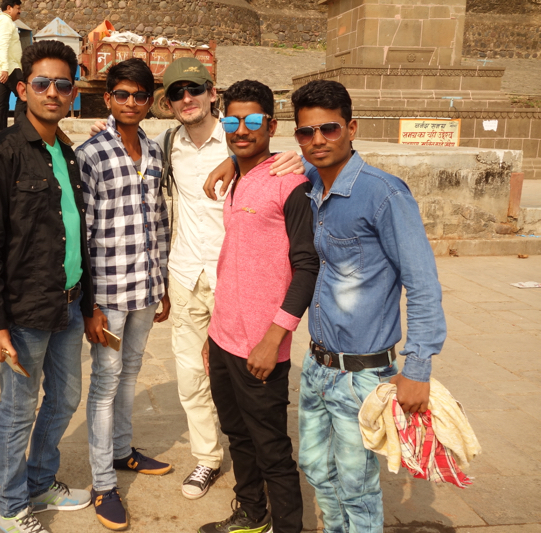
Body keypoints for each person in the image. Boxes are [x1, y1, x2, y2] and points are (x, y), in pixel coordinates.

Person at [206, 79, 447, 533]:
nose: (317, 140)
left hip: (362, 372)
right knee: (318, 471)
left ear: (351, 128)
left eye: (329, 129)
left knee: (356, 486)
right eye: (306, 132)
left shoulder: (384, 194)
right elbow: (267, 164)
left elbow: (422, 283)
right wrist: (232, 161)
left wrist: (418, 367)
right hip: (319, 365)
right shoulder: (313, 183)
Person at [88, 57, 304, 501]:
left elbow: (291, 167)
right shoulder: (166, 145)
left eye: (194, 89)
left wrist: (298, 159)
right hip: (186, 273)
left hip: (235, 281)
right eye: (176, 93)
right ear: (167, 104)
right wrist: (102, 132)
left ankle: (261, 468)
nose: (186, 99)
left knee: (242, 383)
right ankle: (207, 457)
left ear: (212, 93)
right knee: (190, 378)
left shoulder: (239, 138)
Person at [0, 41, 95, 533]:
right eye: (42, 83)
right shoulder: (2, 152)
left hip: (68, 302)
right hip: (24, 311)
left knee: (65, 398)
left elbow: (74, 231)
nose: (52, 93)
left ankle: (40, 482)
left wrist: (88, 302)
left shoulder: (66, 151)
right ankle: (10, 508)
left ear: (73, 93)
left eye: (63, 85)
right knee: (18, 410)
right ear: (22, 90)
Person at [197, 80, 315, 533]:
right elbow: (238, 263)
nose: (241, 130)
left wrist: (274, 338)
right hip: (224, 338)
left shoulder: (291, 184)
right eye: (231, 121)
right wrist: (214, 334)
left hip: (262, 345)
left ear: (271, 125)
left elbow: (306, 267)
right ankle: (251, 513)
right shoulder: (239, 178)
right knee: (238, 436)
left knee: (272, 449)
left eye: (251, 121)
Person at [76, 58, 173, 531]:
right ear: (108, 98)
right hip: (109, 295)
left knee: (130, 372)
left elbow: (160, 220)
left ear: (150, 101)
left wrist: (163, 282)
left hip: (146, 288)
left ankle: (121, 450)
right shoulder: (91, 154)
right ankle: (102, 483)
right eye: (122, 94)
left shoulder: (153, 151)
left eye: (139, 95)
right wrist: (90, 303)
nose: (131, 102)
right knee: (106, 381)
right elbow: (84, 232)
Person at [0, 0, 24, 138]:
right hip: (10, 66)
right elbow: (3, 45)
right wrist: (5, 68)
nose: (19, 11)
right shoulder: (6, 21)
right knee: (24, 95)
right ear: (9, 8)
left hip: (0, 67)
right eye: (18, 8)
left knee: (1, 102)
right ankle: (18, 131)